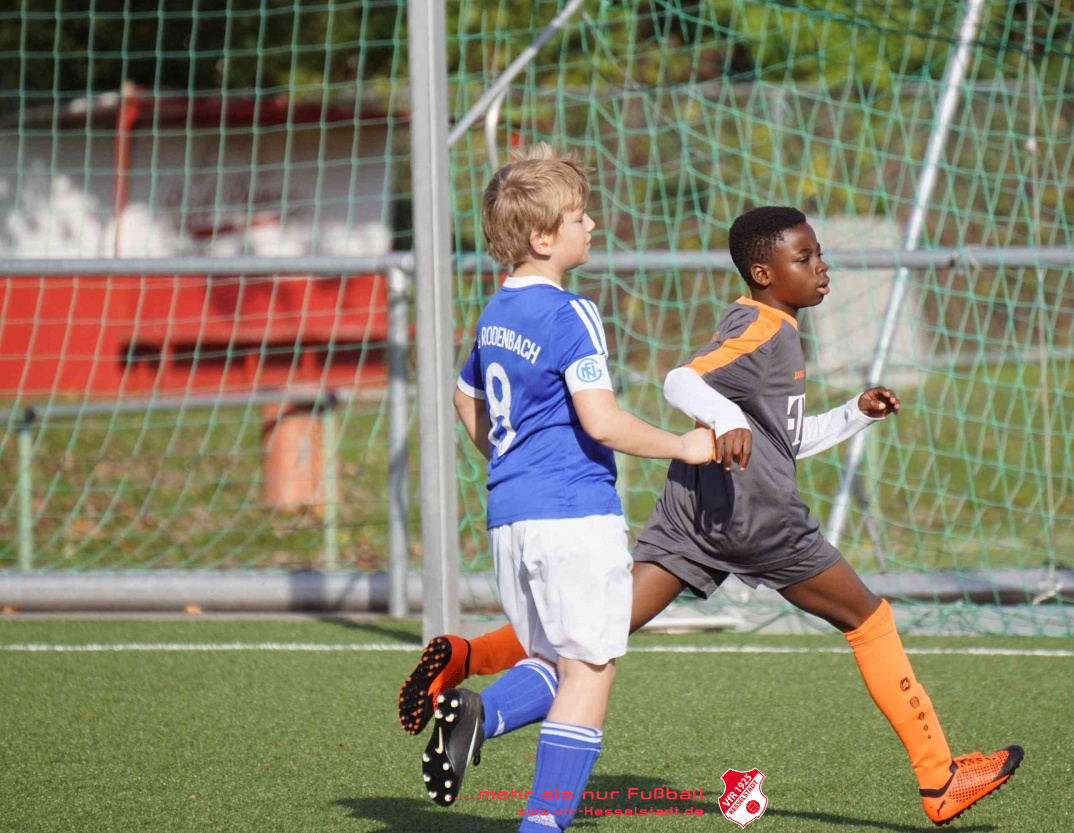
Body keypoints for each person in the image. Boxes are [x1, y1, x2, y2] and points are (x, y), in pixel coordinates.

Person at [405, 205, 1023, 826]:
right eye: (804, 257)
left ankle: (472, 676)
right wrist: (723, 419)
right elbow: (681, 380)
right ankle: (939, 778)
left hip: (694, 514)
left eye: (817, 253)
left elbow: (780, 440)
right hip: (760, 519)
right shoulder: (764, 329)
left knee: (595, 628)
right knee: (869, 619)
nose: (821, 266)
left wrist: (853, 414)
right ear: (764, 272)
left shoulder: (758, 321)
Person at [422, 143, 714, 832]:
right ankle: (542, 825)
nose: (593, 226)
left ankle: (480, 712)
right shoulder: (571, 313)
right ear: (543, 238)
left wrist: (511, 460)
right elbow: (601, 421)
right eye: (580, 217)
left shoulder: (496, 312)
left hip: (510, 516)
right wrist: (684, 445)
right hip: (573, 516)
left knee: (553, 658)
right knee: (591, 668)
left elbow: (466, 399)